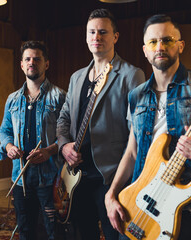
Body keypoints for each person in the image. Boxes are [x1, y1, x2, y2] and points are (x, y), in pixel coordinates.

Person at [105, 14, 191, 240]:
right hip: (141, 196)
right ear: (145, 50)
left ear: (180, 45)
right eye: (153, 42)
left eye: (167, 40)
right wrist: (111, 194)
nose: (160, 47)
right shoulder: (136, 95)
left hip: (189, 203)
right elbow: (132, 152)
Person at [56, 9, 145, 240]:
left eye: (103, 32)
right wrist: (64, 146)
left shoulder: (131, 75)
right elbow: (63, 119)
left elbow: (136, 133)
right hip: (77, 177)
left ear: (115, 36)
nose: (97, 36)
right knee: (83, 234)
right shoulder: (77, 77)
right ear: (86, 37)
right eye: (92, 32)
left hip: (112, 177)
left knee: (115, 234)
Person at [0, 40, 66, 240]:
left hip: (50, 176)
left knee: (52, 231)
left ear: (46, 64)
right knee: (26, 231)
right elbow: (5, 130)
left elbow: (67, 136)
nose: (32, 62)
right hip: (21, 177)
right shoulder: (12, 99)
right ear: (21, 64)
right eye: (27, 59)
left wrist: (50, 150)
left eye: (37, 59)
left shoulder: (60, 97)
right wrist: (9, 145)